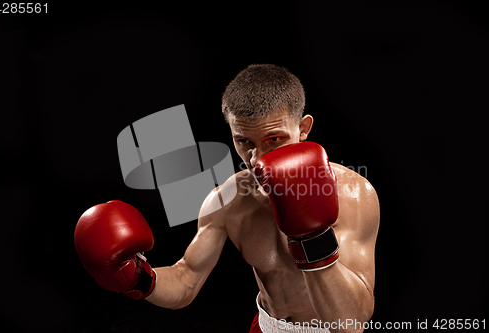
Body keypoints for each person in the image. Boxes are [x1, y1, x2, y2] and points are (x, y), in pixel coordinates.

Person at [75, 64, 380, 333]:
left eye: (274, 139)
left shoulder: (353, 194)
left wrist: (312, 237)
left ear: (303, 129)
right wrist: (136, 278)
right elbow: (186, 279)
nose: (257, 157)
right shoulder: (227, 200)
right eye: (244, 141)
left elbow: (351, 323)